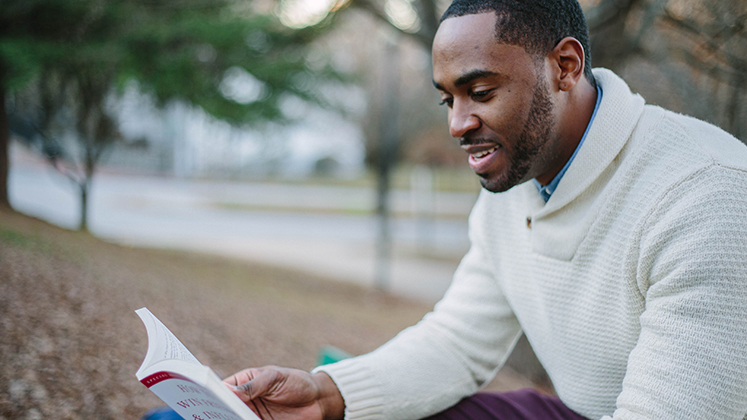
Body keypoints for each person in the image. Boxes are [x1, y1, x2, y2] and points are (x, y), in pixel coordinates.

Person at [223, 0, 747, 419]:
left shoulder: (705, 196)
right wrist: (325, 394)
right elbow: (457, 343)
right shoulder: (517, 180)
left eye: (479, 91)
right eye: (448, 99)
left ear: (565, 66)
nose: (457, 124)